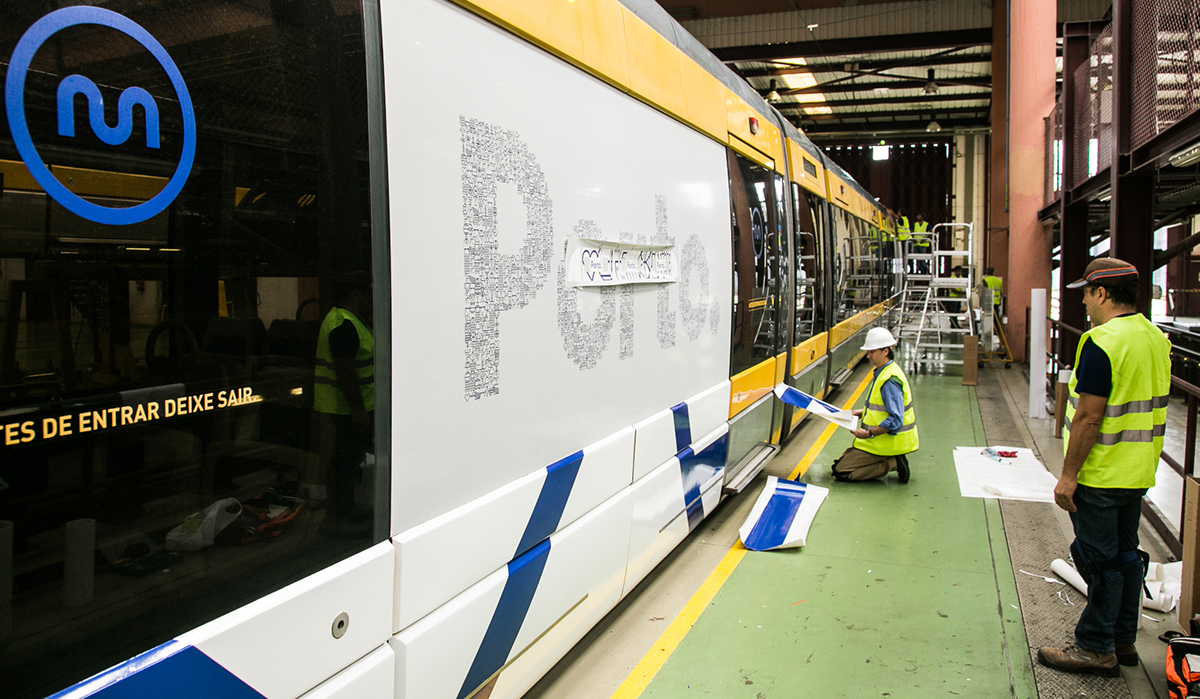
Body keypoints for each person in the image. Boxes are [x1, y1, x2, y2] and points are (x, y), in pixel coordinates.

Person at [1037, 258, 1171, 677]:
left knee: (1100, 561)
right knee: (1128, 555)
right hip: (1138, 471)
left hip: (1102, 473)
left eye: (1086, 292)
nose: (1082, 300)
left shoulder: (1102, 342)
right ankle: (1122, 638)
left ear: (1101, 293)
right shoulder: (1154, 337)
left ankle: (1096, 647)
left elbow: (1089, 418)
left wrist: (1068, 475)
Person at [311, 270, 375, 537]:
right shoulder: (343, 325)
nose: (372, 298)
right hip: (344, 408)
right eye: (367, 293)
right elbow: (345, 371)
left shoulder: (348, 321)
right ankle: (339, 520)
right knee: (343, 465)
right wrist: (358, 410)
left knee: (347, 463)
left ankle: (346, 511)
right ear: (355, 294)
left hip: (347, 407)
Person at [830, 327, 918, 484]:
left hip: (886, 441)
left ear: (885, 351)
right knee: (841, 461)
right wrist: (862, 412)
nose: (868, 356)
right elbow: (883, 408)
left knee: (842, 472)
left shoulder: (889, 380)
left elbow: (896, 419)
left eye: (872, 352)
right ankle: (891, 459)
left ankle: (894, 462)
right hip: (881, 440)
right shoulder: (885, 371)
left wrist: (869, 434)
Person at [944, 265, 965, 329]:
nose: (960, 272)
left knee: (957, 312)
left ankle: (956, 324)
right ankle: (953, 325)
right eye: (959, 271)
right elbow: (952, 288)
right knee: (953, 312)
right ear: (955, 271)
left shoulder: (961, 278)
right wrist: (960, 292)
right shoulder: (952, 278)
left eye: (960, 271)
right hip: (953, 297)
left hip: (959, 297)